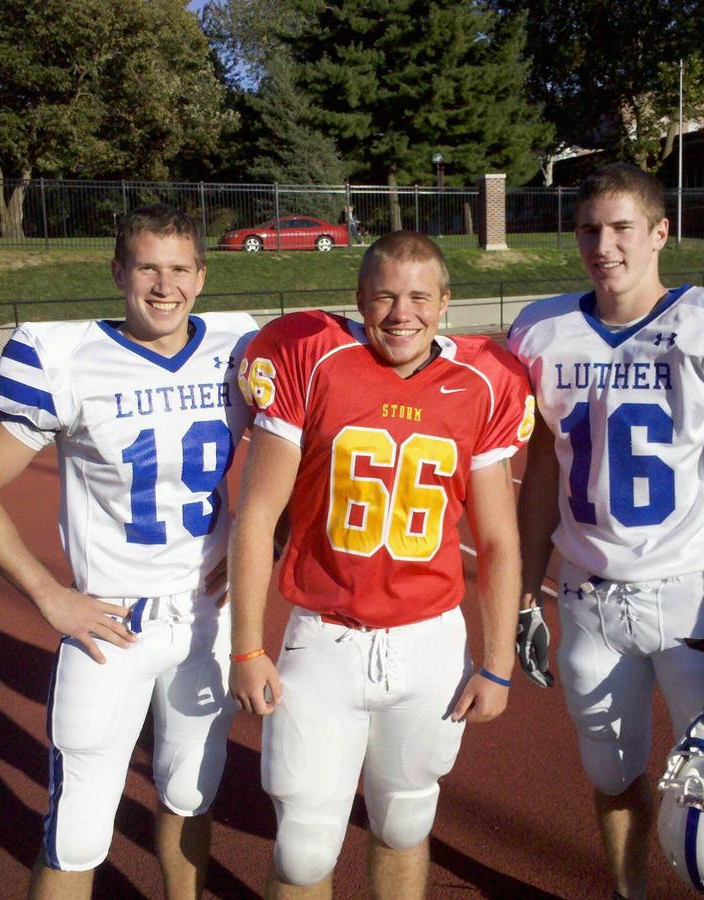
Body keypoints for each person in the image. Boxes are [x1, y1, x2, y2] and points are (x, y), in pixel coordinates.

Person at [0, 204, 257, 899]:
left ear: (202, 277)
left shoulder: (241, 349)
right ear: (119, 272)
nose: (163, 285)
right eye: (147, 266)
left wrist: (264, 548)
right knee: (79, 829)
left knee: (191, 798)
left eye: (178, 268)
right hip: (113, 623)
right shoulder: (66, 359)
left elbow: (310, 448)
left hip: (207, 615)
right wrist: (50, 595)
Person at [507, 162, 704, 900]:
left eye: (622, 227)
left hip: (692, 601)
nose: (604, 245)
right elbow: (541, 480)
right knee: (611, 776)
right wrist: (519, 597)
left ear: (661, 231)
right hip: (588, 601)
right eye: (589, 229)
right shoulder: (545, 332)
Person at [229, 231, 535, 899]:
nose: (403, 313)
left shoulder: (485, 381)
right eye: (386, 296)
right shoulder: (310, 357)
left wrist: (500, 662)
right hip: (324, 636)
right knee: (306, 848)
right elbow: (256, 517)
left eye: (420, 297)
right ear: (359, 299)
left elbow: (500, 539)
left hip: (428, 644)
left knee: (404, 822)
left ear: (446, 303)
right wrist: (246, 646)